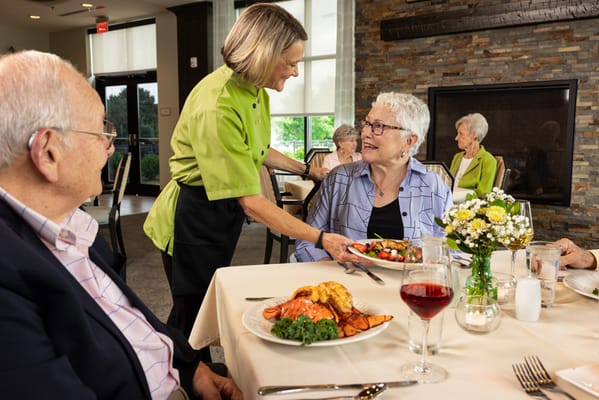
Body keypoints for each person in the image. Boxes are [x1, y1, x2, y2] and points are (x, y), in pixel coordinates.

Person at [0, 50, 243, 399]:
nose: (109, 148)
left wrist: (190, 368)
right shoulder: (7, 276)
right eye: (101, 131)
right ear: (49, 152)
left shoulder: (75, 226)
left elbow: (130, 318)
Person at [143, 3, 361, 339]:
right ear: (263, 54)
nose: (295, 72)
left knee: (205, 301)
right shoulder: (219, 105)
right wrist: (321, 238)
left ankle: (189, 368)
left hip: (221, 211)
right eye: (291, 63)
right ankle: (186, 379)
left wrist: (307, 170)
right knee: (193, 309)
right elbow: (252, 203)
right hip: (193, 214)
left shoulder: (254, 90)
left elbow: (256, 151)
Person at [295, 92, 452, 262]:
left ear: (409, 141)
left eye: (378, 126)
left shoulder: (433, 186)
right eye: (367, 124)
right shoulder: (339, 179)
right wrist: (332, 273)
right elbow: (306, 242)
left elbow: (452, 252)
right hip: (349, 283)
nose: (365, 133)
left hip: (412, 285)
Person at [449, 113, 497, 202]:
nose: (456, 138)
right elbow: (447, 184)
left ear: (473, 135)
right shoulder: (457, 157)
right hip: (448, 204)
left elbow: (483, 194)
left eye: (461, 134)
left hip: (469, 210)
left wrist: (454, 195)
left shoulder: (488, 160)